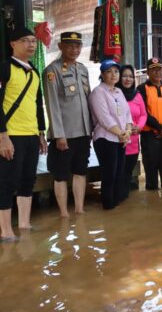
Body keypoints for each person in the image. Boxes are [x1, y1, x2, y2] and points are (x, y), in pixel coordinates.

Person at [0, 28, 47, 242]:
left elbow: (38, 104)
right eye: (25, 41)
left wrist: (41, 133)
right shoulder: (4, 68)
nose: (30, 45)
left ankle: (25, 223)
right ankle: (6, 230)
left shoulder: (35, 71)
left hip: (30, 135)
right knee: (7, 181)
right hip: (11, 134)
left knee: (28, 179)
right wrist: (3, 136)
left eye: (33, 41)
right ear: (13, 43)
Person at [43, 31, 93, 217]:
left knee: (80, 171)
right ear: (60, 47)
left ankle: (79, 208)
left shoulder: (83, 69)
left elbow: (88, 101)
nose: (75, 49)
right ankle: (64, 213)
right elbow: (52, 104)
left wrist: (92, 128)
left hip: (83, 132)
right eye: (70, 46)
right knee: (61, 174)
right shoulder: (52, 70)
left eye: (78, 46)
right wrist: (58, 134)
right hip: (64, 134)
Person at [89, 60, 132, 210]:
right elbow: (104, 118)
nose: (113, 74)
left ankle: (115, 205)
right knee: (109, 174)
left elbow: (127, 114)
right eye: (109, 71)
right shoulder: (98, 92)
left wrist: (127, 131)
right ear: (102, 74)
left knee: (119, 173)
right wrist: (121, 133)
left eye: (116, 71)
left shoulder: (118, 91)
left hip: (121, 138)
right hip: (105, 139)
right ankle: (108, 205)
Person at [137, 57, 162, 190]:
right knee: (151, 172)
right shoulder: (142, 89)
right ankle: (152, 200)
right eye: (153, 70)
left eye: (159, 69)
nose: (157, 72)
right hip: (149, 136)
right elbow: (143, 112)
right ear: (148, 73)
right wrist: (160, 128)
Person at [116, 64, 147, 198]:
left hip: (133, 141)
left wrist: (139, 126)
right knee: (118, 172)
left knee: (128, 171)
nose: (127, 79)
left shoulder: (137, 95)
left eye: (130, 77)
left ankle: (123, 200)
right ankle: (116, 198)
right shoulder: (114, 93)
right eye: (124, 76)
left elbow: (143, 114)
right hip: (118, 139)